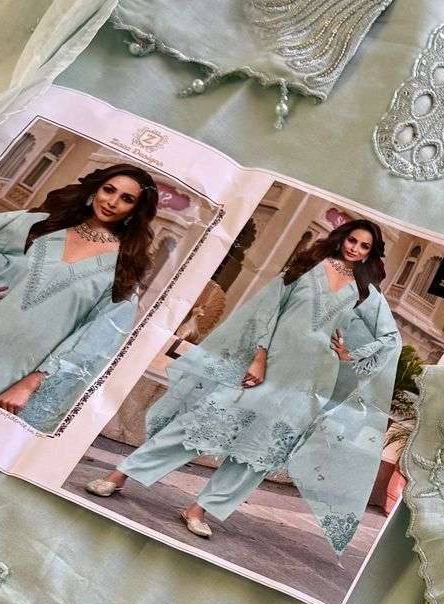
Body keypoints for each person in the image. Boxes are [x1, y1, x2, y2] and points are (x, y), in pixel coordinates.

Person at [86, 217, 401, 550]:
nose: (355, 249)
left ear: (370, 254)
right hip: (270, 367)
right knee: (199, 426)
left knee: (257, 454)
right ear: (341, 238)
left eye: (364, 246)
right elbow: (268, 310)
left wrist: (350, 353)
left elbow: (390, 338)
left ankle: (199, 510)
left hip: (309, 385)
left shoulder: (364, 292)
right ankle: (120, 475)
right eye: (352, 240)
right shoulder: (308, 265)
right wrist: (259, 357)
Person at [0, 163, 158, 429]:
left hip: (11, 375)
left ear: (136, 210)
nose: (112, 202)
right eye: (109, 190)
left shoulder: (125, 268)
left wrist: (31, 383)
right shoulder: (42, 225)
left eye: (127, 199)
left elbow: (94, 340)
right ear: (95, 190)